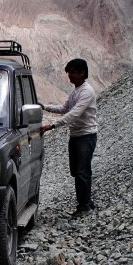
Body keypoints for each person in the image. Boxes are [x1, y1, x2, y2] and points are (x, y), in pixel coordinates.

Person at [42, 58, 98, 217]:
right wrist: (44, 107)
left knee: (82, 171)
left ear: (83, 73)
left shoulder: (86, 92)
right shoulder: (75, 91)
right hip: (76, 135)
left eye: (73, 72)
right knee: (77, 171)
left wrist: (52, 125)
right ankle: (86, 199)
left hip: (86, 136)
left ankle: (84, 207)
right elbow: (65, 108)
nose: (70, 76)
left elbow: (74, 114)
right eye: (69, 72)